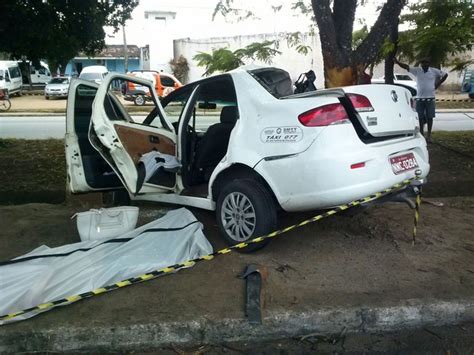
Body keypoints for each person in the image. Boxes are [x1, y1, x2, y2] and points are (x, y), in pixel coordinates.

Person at [394, 57, 448, 143]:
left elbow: (445, 75)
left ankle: (429, 135)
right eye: (422, 63)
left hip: (430, 98)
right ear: (421, 64)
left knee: (430, 117)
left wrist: (437, 84)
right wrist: (397, 62)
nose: (424, 64)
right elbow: (407, 67)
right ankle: (422, 134)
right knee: (420, 117)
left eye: (426, 63)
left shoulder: (434, 71)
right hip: (419, 98)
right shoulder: (417, 70)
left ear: (429, 64)